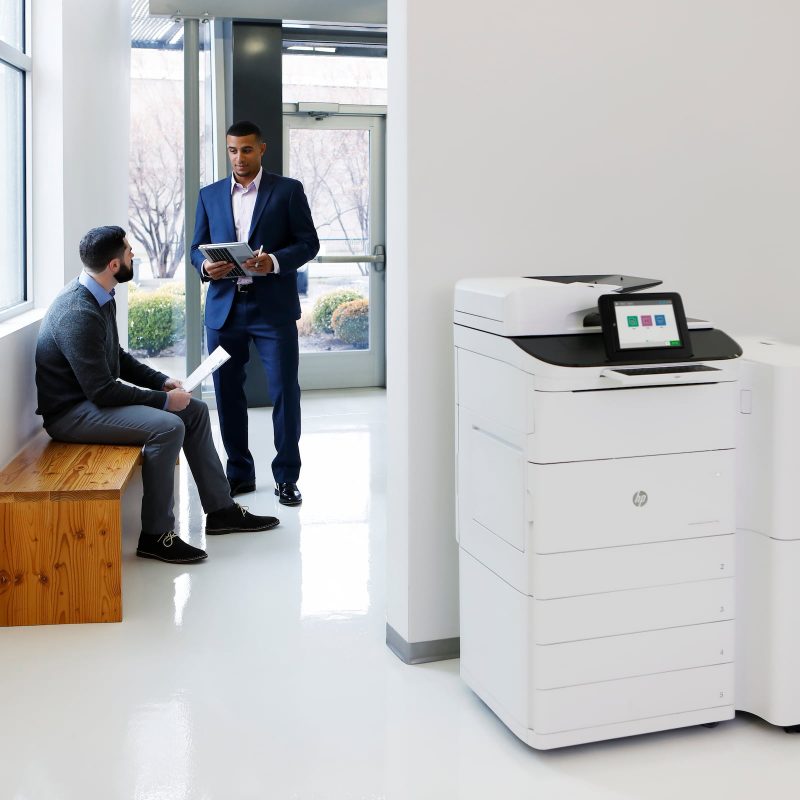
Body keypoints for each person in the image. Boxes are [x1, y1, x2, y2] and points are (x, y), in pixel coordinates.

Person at [35, 225, 280, 565]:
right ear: (114, 265)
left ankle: (222, 511)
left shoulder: (99, 295)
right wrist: (164, 402)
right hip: (72, 414)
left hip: (91, 401)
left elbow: (116, 358)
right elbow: (102, 390)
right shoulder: (79, 312)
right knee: (167, 427)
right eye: (128, 250)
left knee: (192, 411)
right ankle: (155, 535)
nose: (133, 253)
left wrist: (163, 382)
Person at [190, 120, 319, 506]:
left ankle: (286, 477)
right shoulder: (209, 195)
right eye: (232, 150)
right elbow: (196, 246)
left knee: (284, 392)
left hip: (272, 311)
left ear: (262, 149)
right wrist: (203, 267)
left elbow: (308, 243)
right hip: (224, 312)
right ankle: (240, 474)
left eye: (246, 150)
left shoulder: (288, 191)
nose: (239, 158)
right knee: (227, 394)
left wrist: (275, 262)